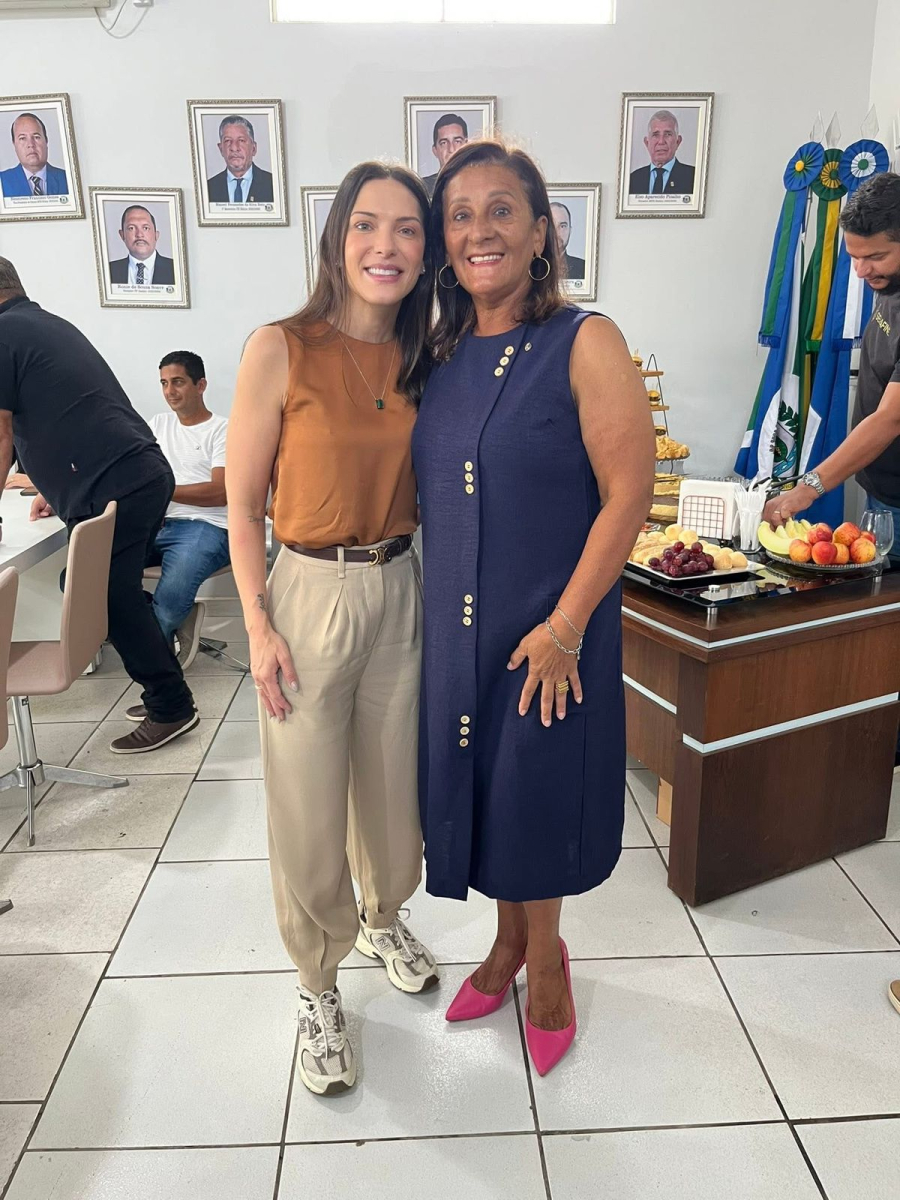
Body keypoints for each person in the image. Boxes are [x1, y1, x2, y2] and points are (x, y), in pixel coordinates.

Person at [413, 139, 654, 1076]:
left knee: (534, 791)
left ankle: (545, 960)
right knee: (485, 793)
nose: (481, 230)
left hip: (552, 623)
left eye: (502, 209)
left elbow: (628, 496)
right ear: (445, 240)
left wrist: (565, 627)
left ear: (543, 231)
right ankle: (508, 941)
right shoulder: (440, 354)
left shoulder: (585, 339)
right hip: (459, 627)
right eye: (461, 214)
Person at [226, 161, 438, 1098]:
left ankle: (384, 915)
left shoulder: (431, 357)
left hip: (401, 585)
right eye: (366, 225)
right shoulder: (281, 347)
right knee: (308, 801)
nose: (385, 246)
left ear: (426, 251)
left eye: (406, 229)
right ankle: (317, 983)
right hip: (309, 592)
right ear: (336, 239)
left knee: (393, 790)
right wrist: (258, 624)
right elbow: (242, 510)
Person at [761, 172, 900, 1020]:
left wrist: (809, 486)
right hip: (880, 497)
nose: (864, 271)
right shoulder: (881, 291)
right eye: (853, 258)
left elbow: (889, 418)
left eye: (875, 257)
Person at [0, 257, 197, 753]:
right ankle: (165, 678)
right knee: (101, 590)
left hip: (120, 482)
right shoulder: (43, 324)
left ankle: (171, 705)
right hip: (136, 474)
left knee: (109, 594)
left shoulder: (5, 334)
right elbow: (64, 414)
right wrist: (52, 488)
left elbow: (1, 433)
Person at [123, 352, 230, 718]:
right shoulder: (157, 424)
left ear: (201, 385)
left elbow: (220, 492)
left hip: (207, 527)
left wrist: (161, 489)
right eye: (164, 383)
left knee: (166, 608)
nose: (170, 391)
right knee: (84, 580)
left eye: (178, 382)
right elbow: (130, 470)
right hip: (156, 523)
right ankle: (178, 617)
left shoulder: (224, 429)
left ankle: (162, 694)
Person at [206, 116, 275, 204]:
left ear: (253, 148)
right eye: (228, 141)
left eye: (241, 140)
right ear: (221, 149)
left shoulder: (273, 184)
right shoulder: (208, 188)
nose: (234, 148)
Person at [0, 113, 68, 199]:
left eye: (36, 137)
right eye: (22, 138)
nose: (31, 144)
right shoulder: (2, 181)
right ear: (14, 144)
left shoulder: (67, 179)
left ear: (46, 141)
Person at [628, 109, 695, 196]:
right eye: (655, 135)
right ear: (647, 143)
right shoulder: (632, 180)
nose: (661, 141)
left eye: (668, 134)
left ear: (678, 141)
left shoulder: (693, 177)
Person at [108, 206, 175, 287]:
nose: (139, 234)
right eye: (131, 228)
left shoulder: (176, 269)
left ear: (156, 235)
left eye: (146, 228)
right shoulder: (108, 271)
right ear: (122, 235)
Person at [420, 113, 468, 199]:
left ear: (467, 145)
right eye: (444, 143)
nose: (451, 149)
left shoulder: (480, 185)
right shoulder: (422, 189)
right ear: (435, 150)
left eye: (457, 141)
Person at [551, 201, 586, 280]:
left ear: (570, 230)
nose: (556, 232)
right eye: (551, 226)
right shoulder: (529, 267)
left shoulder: (583, 267)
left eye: (562, 226)